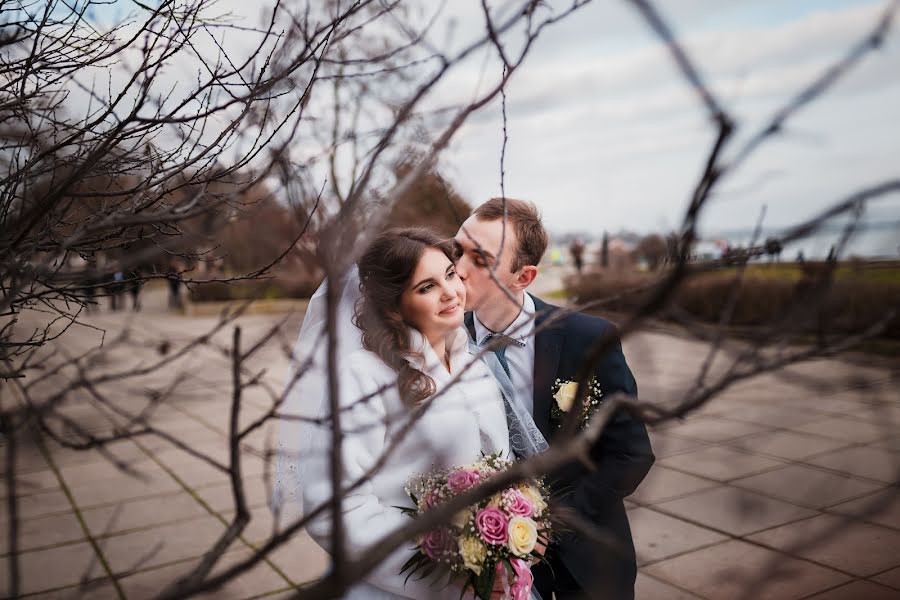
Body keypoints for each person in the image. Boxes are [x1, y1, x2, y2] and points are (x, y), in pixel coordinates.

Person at [275, 228, 525, 599]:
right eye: (426, 287)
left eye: (450, 275)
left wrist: (511, 529)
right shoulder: (364, 376)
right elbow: (335, 508)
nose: (449, 292)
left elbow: (496, 462)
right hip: (406, 586)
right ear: (393, 307)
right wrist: (445, 566)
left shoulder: (471, 362)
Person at [455, 198, 655, 600]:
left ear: (523, 276)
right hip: (482, 567)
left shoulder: (587, 339)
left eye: (480, 259)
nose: (457, 269)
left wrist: (552, 523)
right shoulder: (442, 339)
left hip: (584, 566)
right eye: (456, 249)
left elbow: (630, 454)